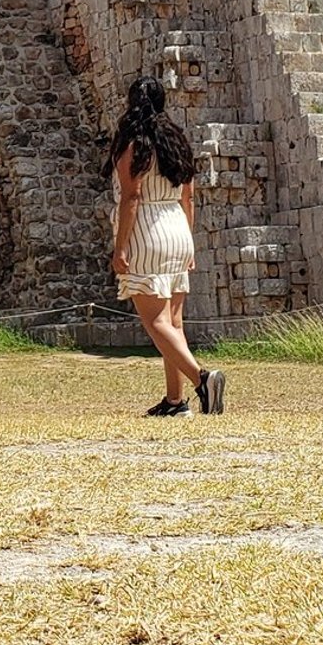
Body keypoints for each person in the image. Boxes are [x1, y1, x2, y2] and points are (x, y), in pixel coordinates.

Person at [109, 76, 226, 416]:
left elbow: (132, 197)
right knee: (174, 323)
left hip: (147, 229)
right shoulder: (177, 141)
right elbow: (189, 196)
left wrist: (120, 247)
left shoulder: (133, 145)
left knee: (156, 322)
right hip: (177, 227)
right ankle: (175, 401)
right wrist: (188, 240)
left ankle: (202, 379)